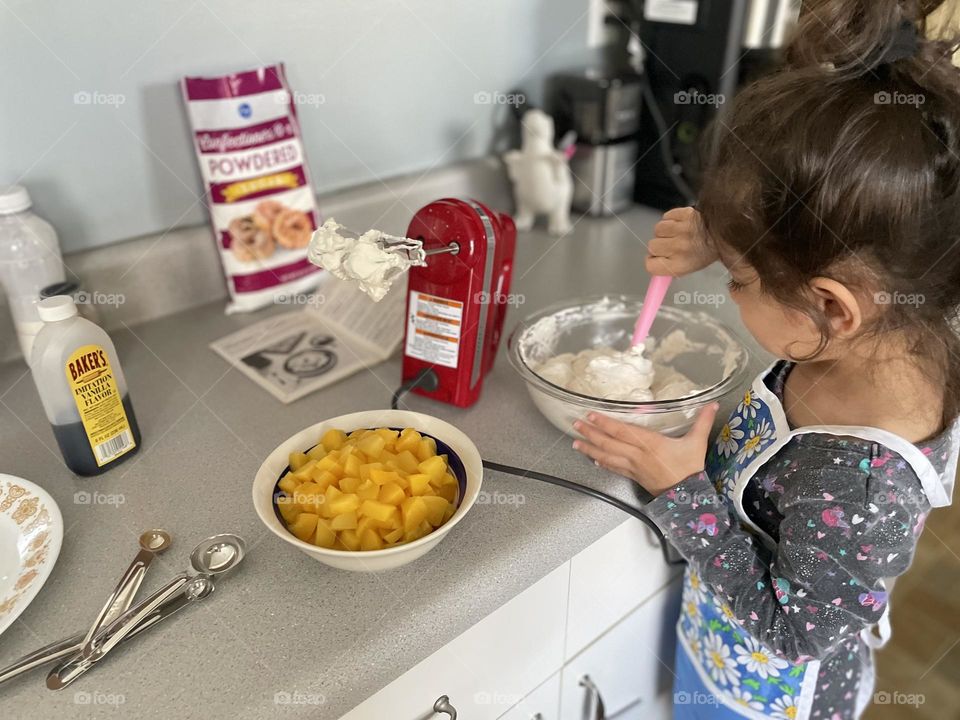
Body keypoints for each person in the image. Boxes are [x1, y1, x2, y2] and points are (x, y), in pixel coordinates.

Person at [572, 1, 960, 717]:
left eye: (739, 282)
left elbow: (788, 632)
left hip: (765, 700)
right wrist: (728, 240)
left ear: (833, 307)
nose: (731, 289)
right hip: (715, 650)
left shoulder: (865, 488)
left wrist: (684, 493)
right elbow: (817, 265)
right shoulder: (898, 323)